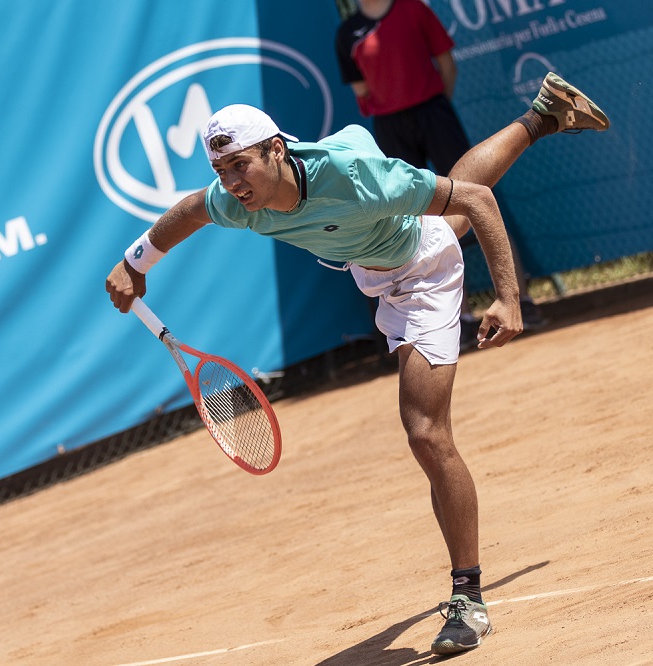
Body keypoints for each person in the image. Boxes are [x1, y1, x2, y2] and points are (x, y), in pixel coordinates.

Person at [105, 73, 609, 655]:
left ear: (276, 150)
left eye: (240, 165)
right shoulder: (236, 202)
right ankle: (544, 114)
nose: (231, 182)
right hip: (374, 258)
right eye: (222, 171)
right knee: (445, 203)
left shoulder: (355, 182)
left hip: (420, 272)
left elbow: (479, 199)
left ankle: (468, 599)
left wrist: (508, 297)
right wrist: (135, 261)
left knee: (426, 431)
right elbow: (191, 209)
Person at [334, 0, 548, 350]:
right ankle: (457, 319)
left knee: (475, 193)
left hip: (435, 114)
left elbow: (446, 65)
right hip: (390, 128)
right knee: (417, 220)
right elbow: (362, 91)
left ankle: (520, 301)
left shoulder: (413, 9)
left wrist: (434, 105)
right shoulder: (347, 33)